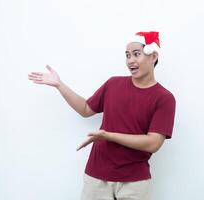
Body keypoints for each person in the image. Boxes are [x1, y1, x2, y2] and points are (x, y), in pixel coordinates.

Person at [28, 31, 176, 200]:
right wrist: (59, 85)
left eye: (136, 54)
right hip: (97, 177)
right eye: (127, 55)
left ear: (153, 56)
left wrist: (109, 136)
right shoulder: (113, 84)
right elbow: (85, 109)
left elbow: (153, 143)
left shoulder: (164, 98)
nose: (130, 61)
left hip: (135, 181)